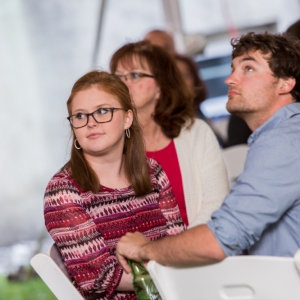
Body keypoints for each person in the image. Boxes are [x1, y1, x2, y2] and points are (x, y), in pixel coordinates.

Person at [116, 32, 300, 272]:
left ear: (286, 84)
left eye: (248, 69)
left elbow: (220, 239)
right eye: (233, 69)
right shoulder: (280, 136)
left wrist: (145, 249)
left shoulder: (282, 142)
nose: (230, 79)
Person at [43, 71, 186, 299]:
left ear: (128, 118)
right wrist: (171, 267)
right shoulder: (63, 191)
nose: (91, 123)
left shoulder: (153, 172)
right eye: (80, 116)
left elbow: (179, 244)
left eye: (102, 111)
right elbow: (100, 278)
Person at [110, 40, 229, 228]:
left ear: (161, 86)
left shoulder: (196, 132)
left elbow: (216, 204)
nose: (123, 84)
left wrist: (174, 251)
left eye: (134, 75)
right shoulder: (108, 143)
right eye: (117, 77)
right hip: (135, 254)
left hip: (196, 249)